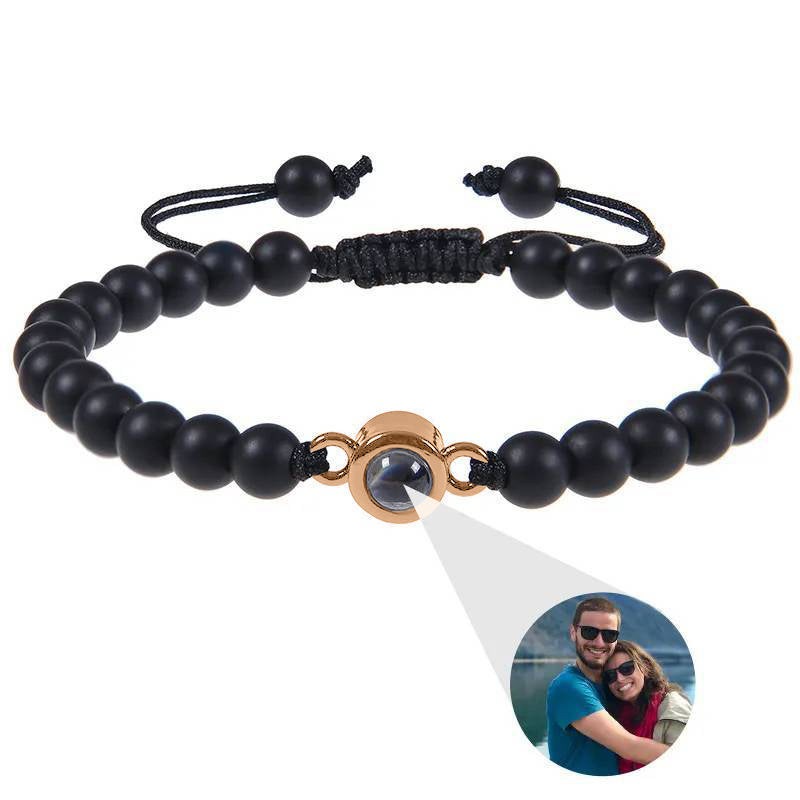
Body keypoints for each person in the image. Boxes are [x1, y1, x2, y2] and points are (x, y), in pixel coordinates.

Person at [546, 597, 670, 776]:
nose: (599, 642)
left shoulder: (611, 687)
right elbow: (629, 747)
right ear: (573, 633)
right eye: (589, 632)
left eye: (609, 635)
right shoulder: (569, 687)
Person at [602, 640, 692, 773]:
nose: (619, 679)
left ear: (644, 666)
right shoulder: (612, 716)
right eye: (610, 675)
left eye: (626, 668)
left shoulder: (674, 708)